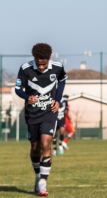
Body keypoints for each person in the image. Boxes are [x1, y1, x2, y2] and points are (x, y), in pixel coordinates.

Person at [15, 43, 67, 195]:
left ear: (49, 58)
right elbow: (18, 89)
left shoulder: (58, 67)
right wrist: (27, 97)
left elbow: (62, 80)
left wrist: (57, 100)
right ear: (35, 58)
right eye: (39, 63)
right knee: (35, 147)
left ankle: (43, 183)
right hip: (32, 113)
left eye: (44, 64)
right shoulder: (25, 68)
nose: (42, 67)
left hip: (49, 112)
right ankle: (38, 177)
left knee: (46, 144)